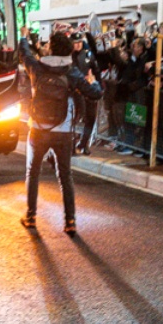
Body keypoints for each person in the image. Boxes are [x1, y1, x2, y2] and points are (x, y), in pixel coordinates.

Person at [19, 31, 103, 235]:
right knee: (65, 176)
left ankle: (30, 216)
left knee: (33, 172)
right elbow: (96, 94)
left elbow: (24, 53)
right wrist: (93, 82)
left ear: (51, 48)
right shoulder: (71, 72)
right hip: (63, 131)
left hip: (38, 129)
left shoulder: (37, 67)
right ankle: (70, 221)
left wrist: (24, 37)